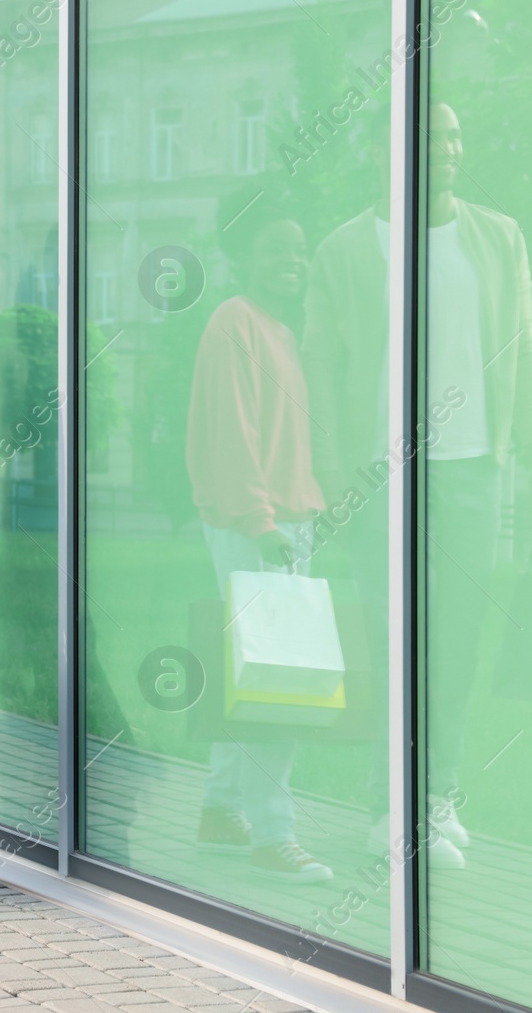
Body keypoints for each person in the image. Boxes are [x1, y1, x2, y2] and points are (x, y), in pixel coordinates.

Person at [302, 103, 532, 868]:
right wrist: (327, 473)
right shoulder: (347, 249)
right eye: (427, 135)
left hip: (473, 464)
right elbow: (321, 369)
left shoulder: (498, 235)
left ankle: (437, 793)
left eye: (453, 133)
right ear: (385, 152)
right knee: (390, 636)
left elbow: (525, 347)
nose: (444, 146)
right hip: (378, 475)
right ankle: (388, 804)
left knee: (454, 639)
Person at [187, 209, 333, 883]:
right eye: (278, 249)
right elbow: (234, 431)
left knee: (253, 670)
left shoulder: (282, 329)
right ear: (246, 257)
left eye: (299, 250)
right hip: (258, 527)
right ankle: (274, 832)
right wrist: (262, 522)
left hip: (283, 522)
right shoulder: (234, 322)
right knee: (279, 680)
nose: (293, 261)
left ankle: (220, 810)